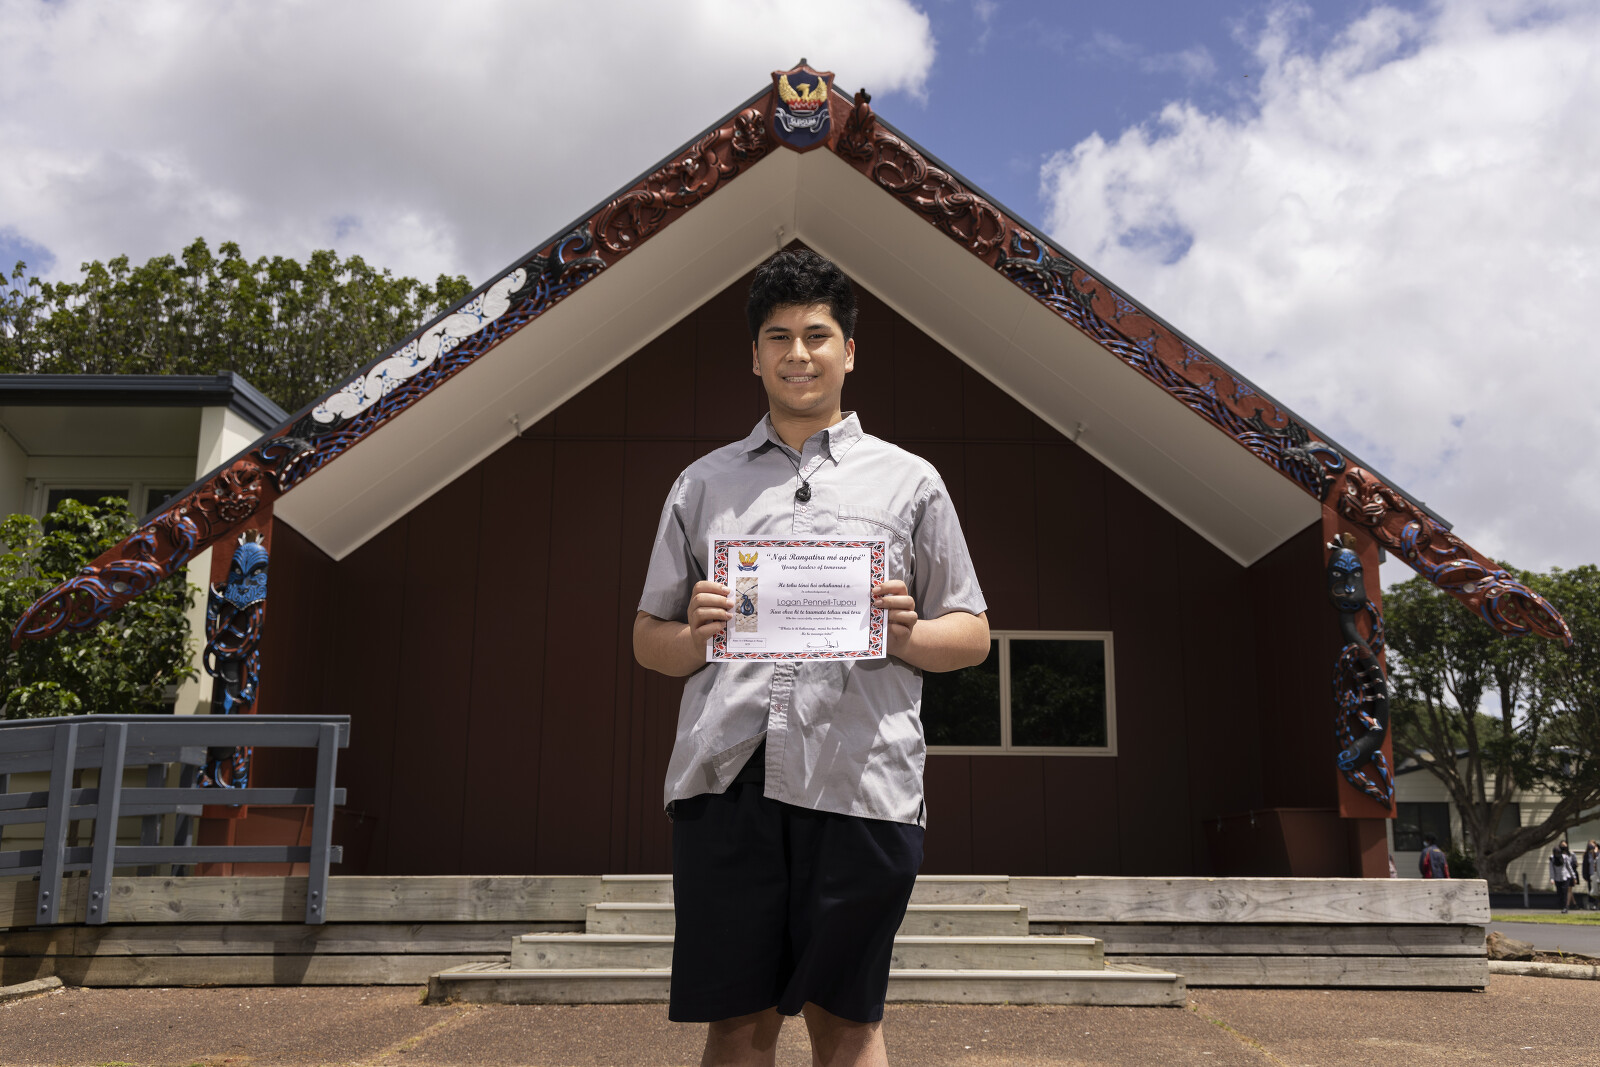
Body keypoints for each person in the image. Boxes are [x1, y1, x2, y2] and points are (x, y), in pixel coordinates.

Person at [633, 249, 990, 1067]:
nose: (799, 353)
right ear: (755, 357)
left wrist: (906, 633)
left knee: (849, 1023)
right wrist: (695, 636)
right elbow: (648, 639)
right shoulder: (701, 485)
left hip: (861, 782)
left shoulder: (911, 482)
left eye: (817, 335)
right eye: (779, 336)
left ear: (849, 351)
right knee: (737, 1025)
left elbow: (971, 633)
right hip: (728, 780)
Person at [1551, 839, 1579, 913]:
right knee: (1559, 892)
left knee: (1564, 892)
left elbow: (1569, 868)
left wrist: (1574, 877)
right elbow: (1551, 870)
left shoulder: (1565, 857)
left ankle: (1565, 907)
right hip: (1557, 878)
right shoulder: (1552, 859)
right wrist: (1552, 878)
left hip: (1565, 877)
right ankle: (1562, 905)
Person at [1585, 841, 1599, 911]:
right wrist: (1585, 875)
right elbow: (1585, 866)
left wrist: (1596, 853)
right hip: (1591, 876)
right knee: (1592, 891)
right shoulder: (1588, 855)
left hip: (1598, 875)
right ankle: (1593, 905)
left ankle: (1597, 904)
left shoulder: (1598, 854)